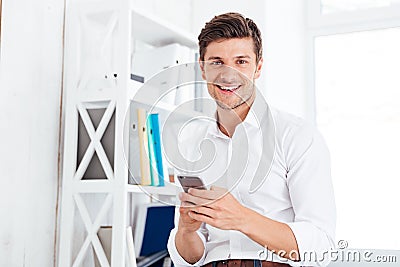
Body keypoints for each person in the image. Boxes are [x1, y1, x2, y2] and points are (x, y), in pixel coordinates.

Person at [167, 12, 336, 267]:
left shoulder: (297, 136)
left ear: (258, 67)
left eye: (241, 61)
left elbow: (322, 244)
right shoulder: (191, 143)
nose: (228, 74)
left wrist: (241, 218)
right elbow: (189, 257)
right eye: (217, 62)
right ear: (202, 68)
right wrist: (187, 231)